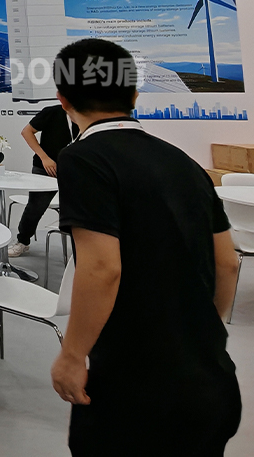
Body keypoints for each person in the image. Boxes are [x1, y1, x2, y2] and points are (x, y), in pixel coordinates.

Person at [49, 38, 241, 456]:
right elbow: (227, 263)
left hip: (138, 394)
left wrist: (72, 355)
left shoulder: (82, 158)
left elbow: (102, 268)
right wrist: (201, 332)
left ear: (63, 100)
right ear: (135, 96)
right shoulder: (184, 163)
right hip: (211, 384)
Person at [7, 104, 78, 257]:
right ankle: (22, 241)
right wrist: (45, 158)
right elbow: (27, 132)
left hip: (75, 169)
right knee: (35, 207)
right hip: (45, 168)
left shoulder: (88, 115)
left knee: (80, 209)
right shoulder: (52, 112)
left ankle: (82, 248)